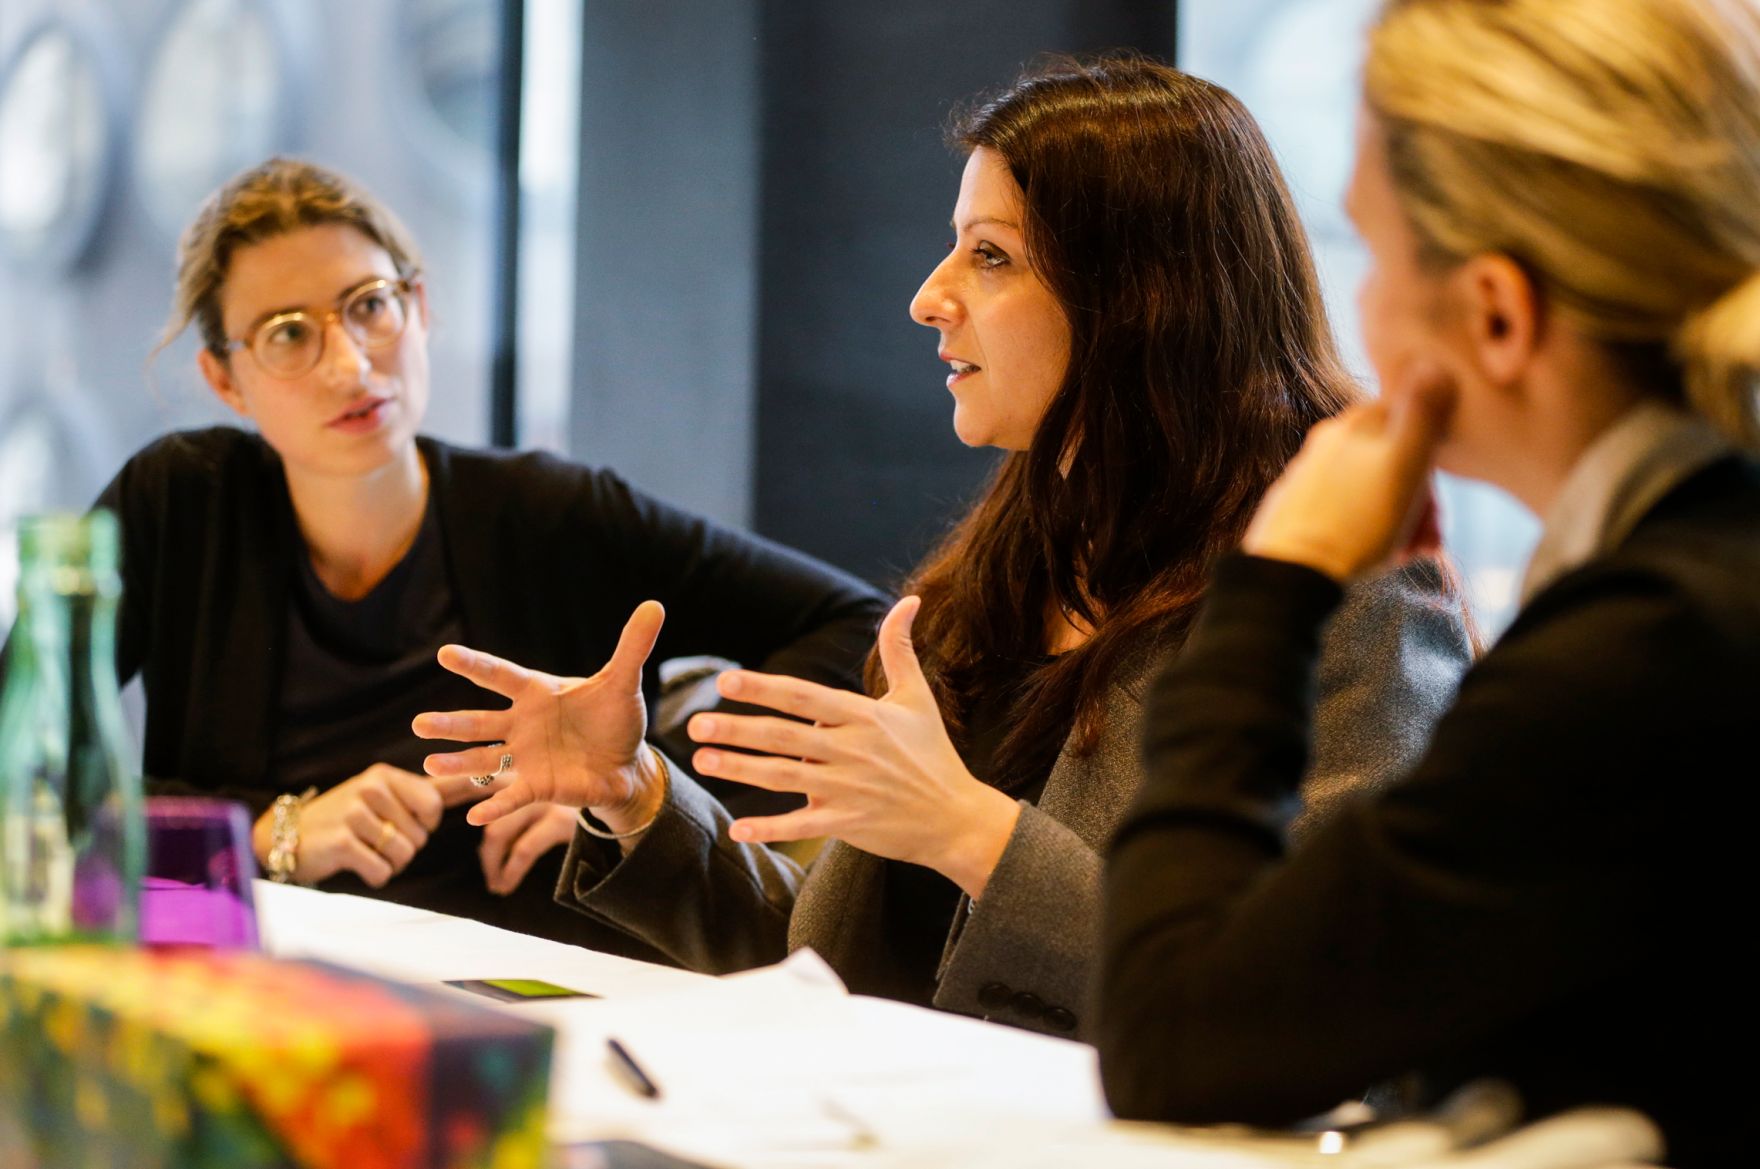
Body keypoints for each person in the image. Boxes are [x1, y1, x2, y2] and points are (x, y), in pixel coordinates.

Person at [419, 57, 1472, 1032]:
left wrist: (972, 832)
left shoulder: (1348, 588)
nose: (930, 297)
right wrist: (637, 795)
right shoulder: (1002, 574)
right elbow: (837, 970)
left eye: (990, 255)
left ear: (1145, 297)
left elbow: (1322, 995)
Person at [1098, 0, 1759, 1162]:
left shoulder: (1644, 652)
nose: (1354, 306)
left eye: (1371, 247)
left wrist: (1274, 582)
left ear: (1495, 315)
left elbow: (1178, 1035)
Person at [44, 158, 885, 950]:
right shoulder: (179, 503)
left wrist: (634, 790)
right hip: (250, 981)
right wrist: (273, 830)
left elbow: (857, 628)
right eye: (288, 333)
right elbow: (29, 783)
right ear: (227, 380)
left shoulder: (547, 512)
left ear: (419, 309)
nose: (349, 362)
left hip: (532, 990)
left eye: (370, 305)